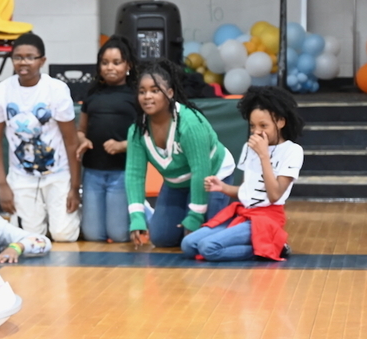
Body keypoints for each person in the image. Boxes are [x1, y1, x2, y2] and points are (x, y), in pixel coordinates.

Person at [181, 86, 304, 262]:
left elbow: (275, 195)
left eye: (263, 126)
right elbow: (248, 192)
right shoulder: (249, 148)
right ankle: (263, 244)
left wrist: (264, 156)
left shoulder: (293, 151)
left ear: (280, 122)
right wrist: (223, 187)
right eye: (253, 126)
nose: (256, 131)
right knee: (188, 244)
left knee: (208, 248)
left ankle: (274, 246)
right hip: (245, 213)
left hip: (267, 219)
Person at [125, 59, 235, 249]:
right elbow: (134, 174)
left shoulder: (190, 124)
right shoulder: (137, 130)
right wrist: (137, 216)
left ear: (170, 93)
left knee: (202, 241)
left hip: (213, 178)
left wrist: (195, 215)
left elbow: (201, 171)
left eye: (154, 90)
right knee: (160, 239)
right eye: (142, 92)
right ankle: (176, 214)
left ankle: (234, 217)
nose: (147, 96)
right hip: (177, 183)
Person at [0, 32, 81, 242]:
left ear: (42, 61)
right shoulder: (2, 91)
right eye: (18, 57)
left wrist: (74, 187)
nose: (24, 62)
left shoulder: (56, 90)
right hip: (22, 175)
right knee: (31, 237)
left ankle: (71, 217)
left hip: (57, 173)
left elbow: (71, 140)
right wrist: (2, 184)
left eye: (30, 57)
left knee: (63, 235)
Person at [76, 36, 140, 242]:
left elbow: (145, 137)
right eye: (104, 63)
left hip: (121, 173)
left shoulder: (136, 95)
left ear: (128, 65)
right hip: (93, 173)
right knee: (93, 235)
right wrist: (82, 140)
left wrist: (123, 145)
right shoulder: (92, 94)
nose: (110, 67)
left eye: (116, 62)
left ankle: (143, 213)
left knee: (119, 235)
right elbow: (81, 130)